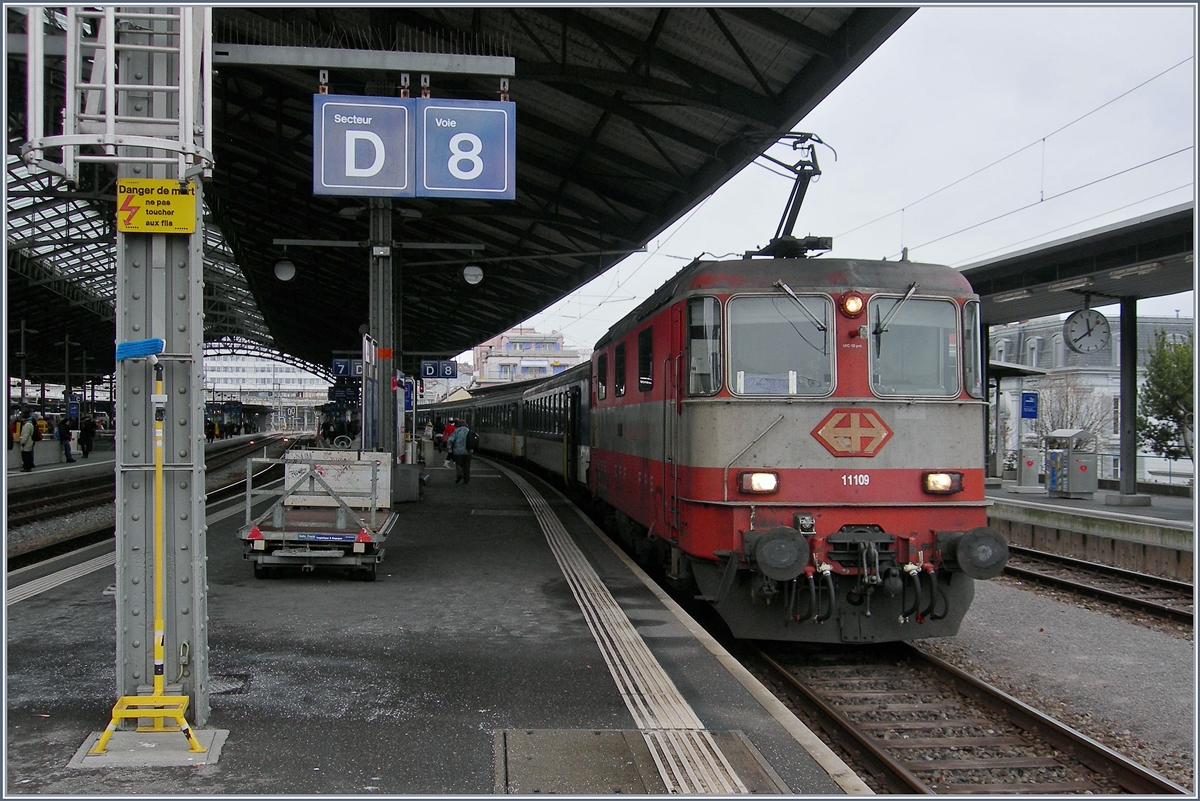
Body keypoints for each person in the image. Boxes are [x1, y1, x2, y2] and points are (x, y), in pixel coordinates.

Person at [445, 418, 473, 484]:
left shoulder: (456, 431)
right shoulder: (469, 431)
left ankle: (460, 474)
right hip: (468, 451)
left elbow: (450, 440)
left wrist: (449, 448)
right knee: (467, 465)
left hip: (458, 452)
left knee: (459, 464)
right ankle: (466, 479)